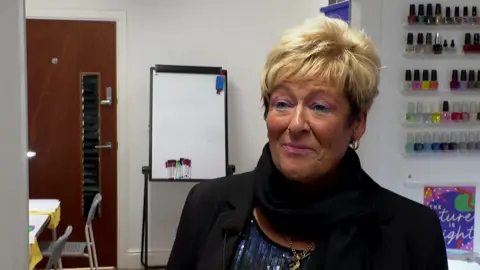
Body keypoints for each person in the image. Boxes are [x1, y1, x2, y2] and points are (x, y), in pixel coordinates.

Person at [166, 15, 448, 270]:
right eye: (283, 103)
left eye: (320, 107)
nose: (296, 124)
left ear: (358, 123)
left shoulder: (414, 232)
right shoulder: (207, 204)